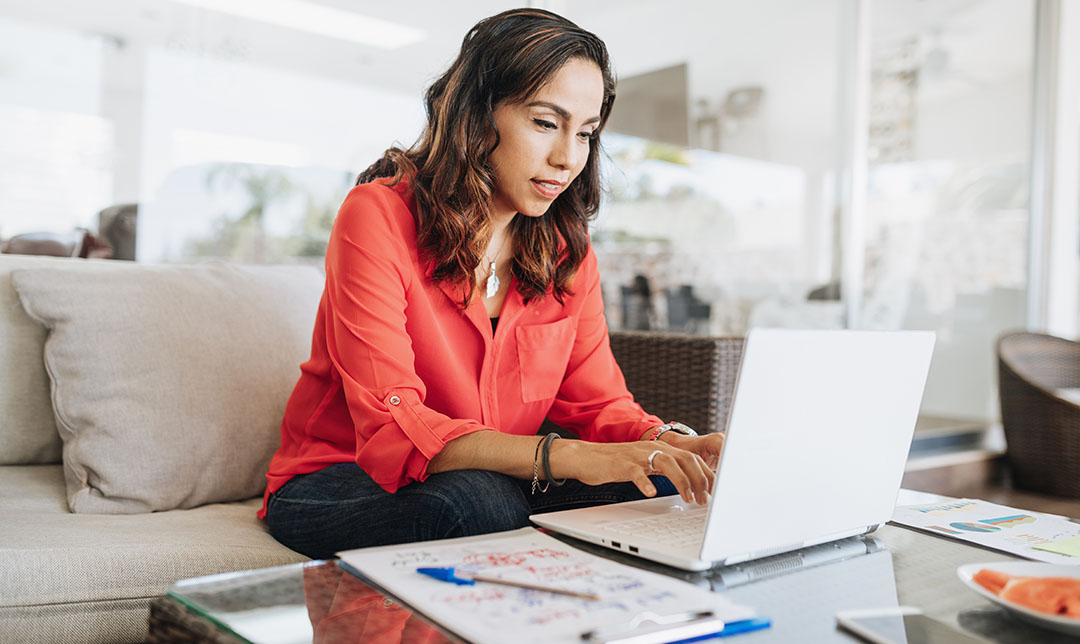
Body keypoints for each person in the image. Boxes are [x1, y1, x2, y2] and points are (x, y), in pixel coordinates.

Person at [260, 8, 725, 559]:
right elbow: (393, 426)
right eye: (545, 123)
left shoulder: (565, 254)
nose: (567, 158)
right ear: (478, 115)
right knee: (479, 503)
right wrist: (570, 459)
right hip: (340, 480)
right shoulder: (377, 215)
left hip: (500, 477)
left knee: (668, 484)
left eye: (586, 133)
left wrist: (669, 444)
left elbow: (601, 406)